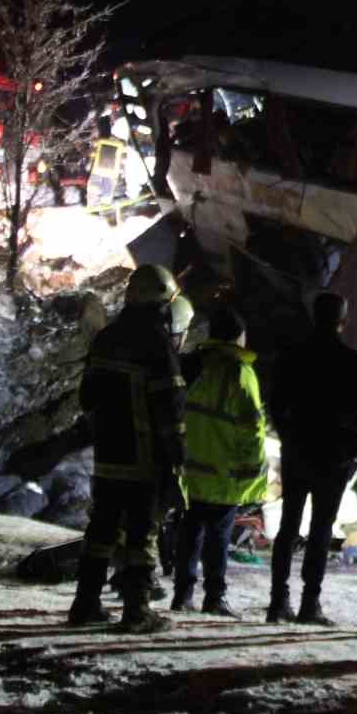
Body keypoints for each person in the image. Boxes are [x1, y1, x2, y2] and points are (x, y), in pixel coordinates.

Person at [66, 265, 191, 632]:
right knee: (142, 534)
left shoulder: (106, 338)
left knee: (101, 531)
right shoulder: (157, 344)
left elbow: (87, 397)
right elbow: (171, 410)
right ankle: (137, 611)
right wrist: (178, 458)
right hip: (145, 459)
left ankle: (84, 605)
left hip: (108, 457)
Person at [266, 291, 357, 626]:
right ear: (343, 321)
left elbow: (276, 407)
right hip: (333, 457)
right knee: (321, 529)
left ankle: (277, 602)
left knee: (288, 525)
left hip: (298, 450)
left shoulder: (292, 356)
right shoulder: (352, 362)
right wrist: (352, 450)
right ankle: (310, 604)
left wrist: (289, 436)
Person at [170, 305, 268, 619]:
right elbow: (252, 427)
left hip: (191, 469)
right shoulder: (241, 372)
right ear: (239, 338)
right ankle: (214, 597)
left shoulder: (194, 365)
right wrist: (254, 471)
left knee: (189, 532)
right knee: (218, 538)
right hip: (223, 472)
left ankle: (182, 595)